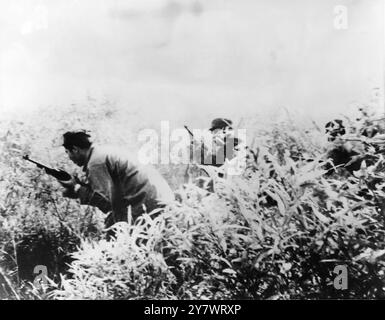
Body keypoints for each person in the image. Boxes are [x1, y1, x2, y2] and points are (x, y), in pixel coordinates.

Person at [59, 130, 174, 230]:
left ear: (75, 150)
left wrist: (77, 188)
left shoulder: (96, 163)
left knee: (114, 232)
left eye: (67, 152)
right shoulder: (101, 153)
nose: (69, 157)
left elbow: (106, 202)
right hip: (160, 198)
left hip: (149, 205)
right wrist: (79, 188)